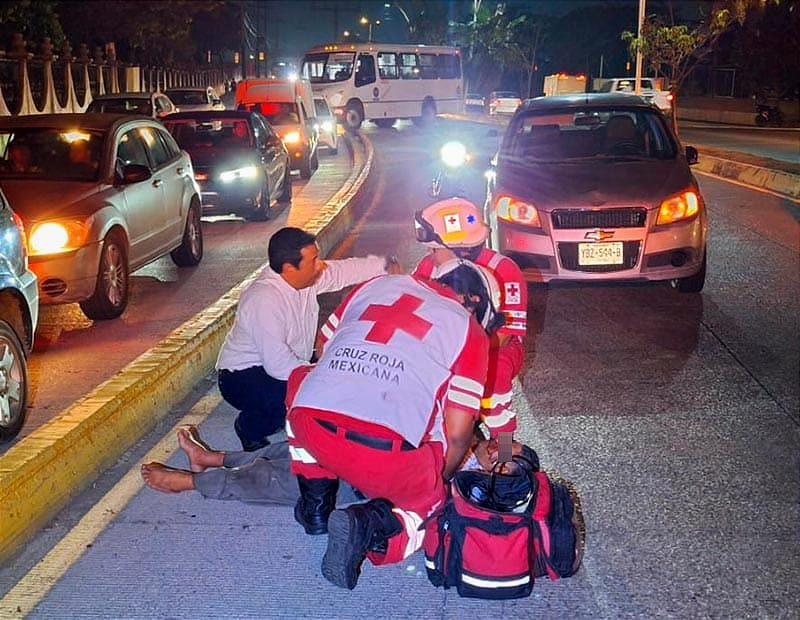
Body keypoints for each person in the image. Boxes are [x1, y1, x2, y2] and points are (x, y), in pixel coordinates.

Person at [287, 260, 501, 590]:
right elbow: (458, 433)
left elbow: (322, 349)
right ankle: (370, 526)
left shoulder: (374, 285)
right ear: (475, 303)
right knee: (434, 505)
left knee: (301, 380)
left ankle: (316, 507)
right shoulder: (468, 330)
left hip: (312, 427)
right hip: (385, 456)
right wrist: (437, 480)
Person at [216, 226, 402, 452]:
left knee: (341, 367)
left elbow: (341, 272)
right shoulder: (263, 299)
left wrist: (383, 265)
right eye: (313, 260)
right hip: (242, 375)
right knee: (295, 401)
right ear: (288, 268)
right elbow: (278, 364)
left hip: (290, 359)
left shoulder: (304, 279)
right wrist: (319, 377)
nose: (320, 265)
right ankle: (249, 428)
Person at [140, 425, 534, 502]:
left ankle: (190, 483)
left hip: (367, 483)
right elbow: (502, 424)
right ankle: (210, 457)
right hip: (376, 450)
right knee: (290, 447)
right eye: (508, 448)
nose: (501, 452)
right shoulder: (480, 437)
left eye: (505, 460)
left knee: (279, 479)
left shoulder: (474, 487)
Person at [412, 197, 527, 438]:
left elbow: (504, 337)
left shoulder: (505, 270)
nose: (429, 255)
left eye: (435, 249)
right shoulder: (427, 267)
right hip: (445, 347)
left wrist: (461, 356)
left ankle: (504, 457)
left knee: (495, 393)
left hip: (493, 349)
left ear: (461, 249)